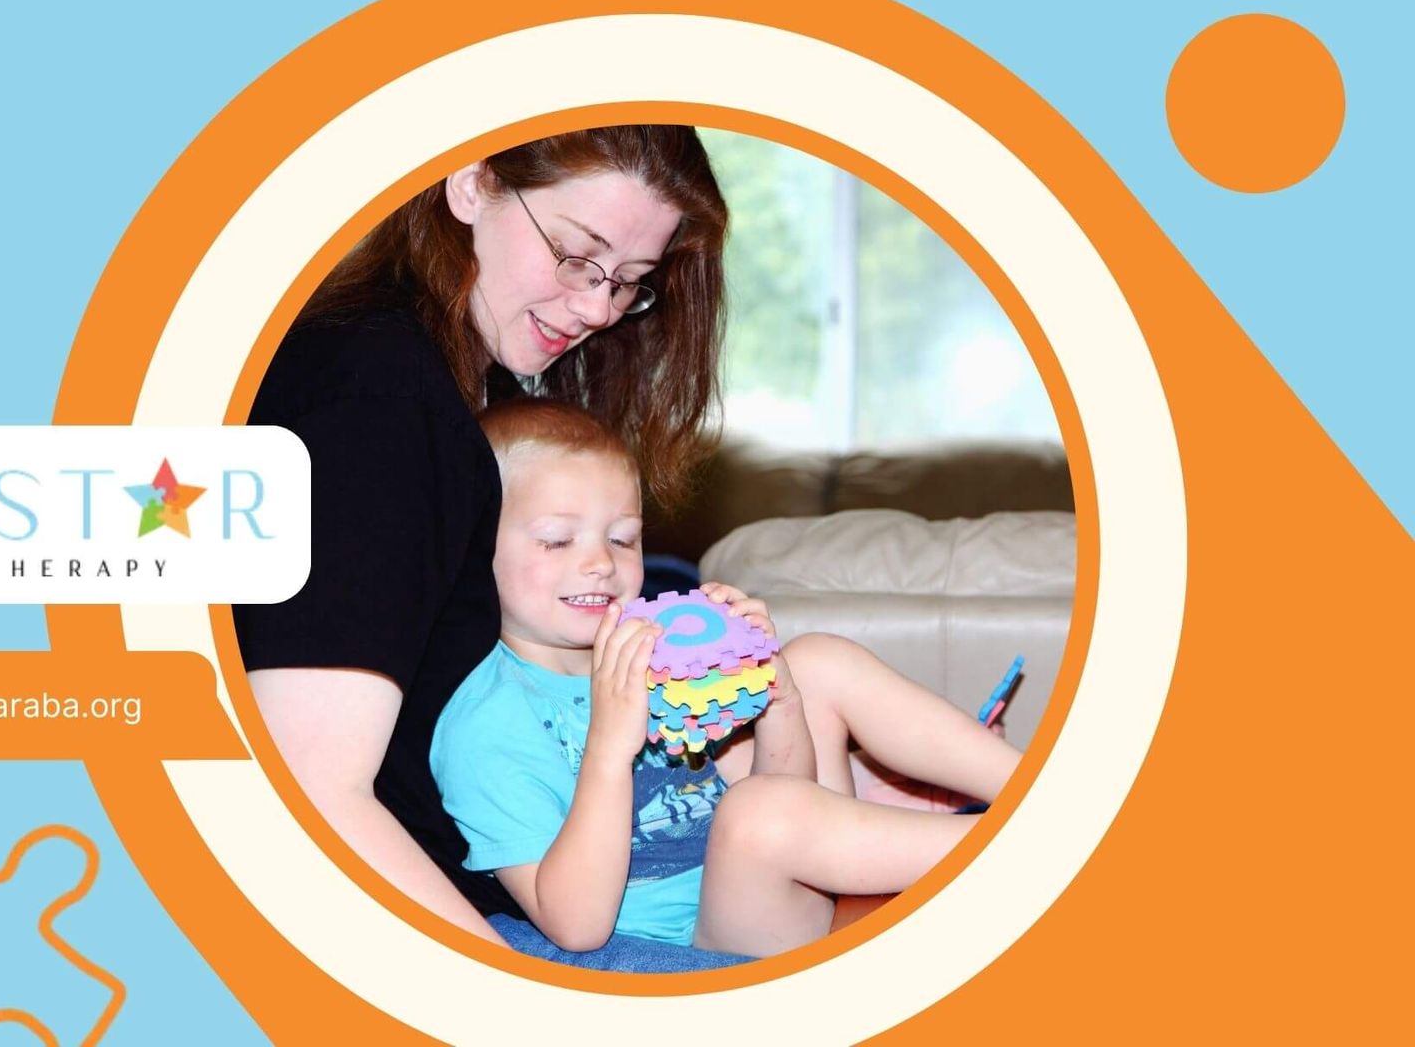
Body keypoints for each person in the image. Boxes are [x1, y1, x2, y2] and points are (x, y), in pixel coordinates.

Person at [235, 126, 730, 968]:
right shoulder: (373, 393)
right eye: (578, 256)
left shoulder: (458, 381)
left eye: (629, 283)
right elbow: (310, 792)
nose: (599, 308)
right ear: (471, 184)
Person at [431, 399, 1022, 959]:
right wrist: (610, 747)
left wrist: (777, 697)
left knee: (816, 659)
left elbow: (794, 792)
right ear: (474, 547)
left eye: (623, 538)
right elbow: (578, 928)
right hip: (699, 944)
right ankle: (1023, 845)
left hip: (787, 879)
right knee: (754, 815)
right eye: (558, 540)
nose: (601, 563)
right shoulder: (485, 724)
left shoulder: (661, 648)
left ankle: (1033, 787)